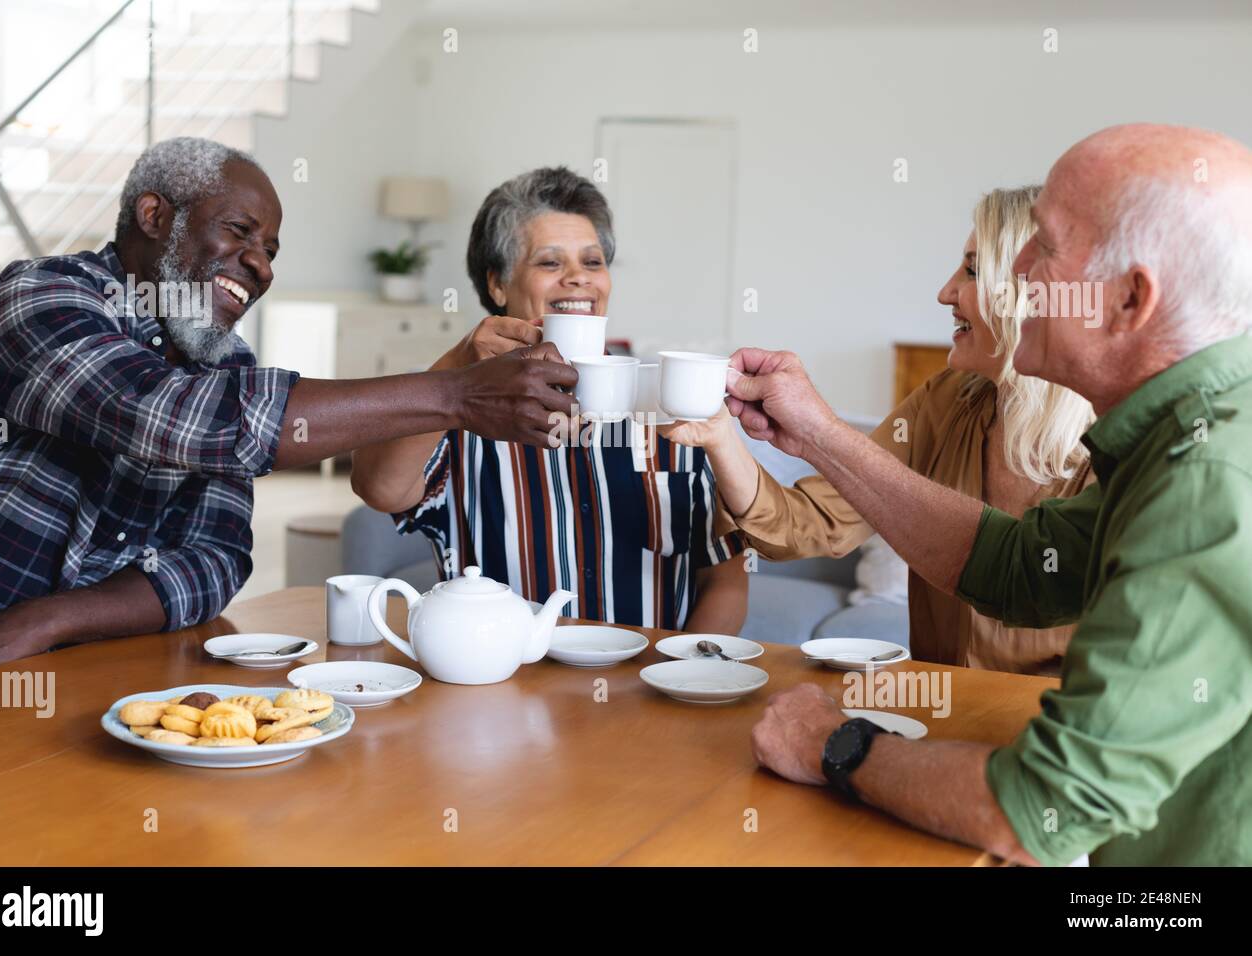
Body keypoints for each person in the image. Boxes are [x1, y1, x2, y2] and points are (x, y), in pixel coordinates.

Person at [737, 123, 1252, 865]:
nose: (1019, 271)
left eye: (1044, 244)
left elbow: (1043, 811)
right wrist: (816, 432)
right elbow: (1016, 563)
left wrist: (834, 743)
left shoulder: (1208, 483)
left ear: (1130, 299)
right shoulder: (1184, 436)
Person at [0, 137, 575, 671]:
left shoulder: (229, 363)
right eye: (239, 232)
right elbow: (177, 418)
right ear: (153, 215)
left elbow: (215, 560)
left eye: (271, 250)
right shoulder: (38, 297)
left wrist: (47, 621)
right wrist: (455, 396)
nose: (260, 266)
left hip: (88, 666)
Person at [661, 186, 1095, 675]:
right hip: (945, 708)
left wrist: (818, 428)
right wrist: (721, 435)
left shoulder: (1114, 446)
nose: (945, 292)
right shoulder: (945, 401)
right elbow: (813, 524)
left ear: (1029, 291)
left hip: (1049, 731)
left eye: (972, 271)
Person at [351, 167, 747, 631]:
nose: (579, 279)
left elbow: (726, 580)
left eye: (593, 262)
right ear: (497, 284)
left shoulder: (667, 402)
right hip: (504, 687)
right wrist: (459, 367)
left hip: (648, 688)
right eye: (550, 262)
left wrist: (681, 678)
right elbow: (377, 487)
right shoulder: (455, 406)